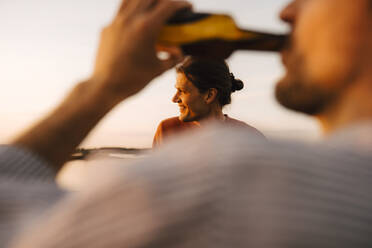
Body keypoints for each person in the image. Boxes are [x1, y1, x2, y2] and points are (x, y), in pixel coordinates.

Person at [3, 0, 372, 247]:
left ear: (210, 95)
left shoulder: (224, 172)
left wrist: (100, 88)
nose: (287, 12)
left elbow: (12, 228)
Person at [153, 56, 265, 147]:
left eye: (182, 91)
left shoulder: (252, 139)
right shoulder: (166, 130)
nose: (174, 99)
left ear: (209, 95)